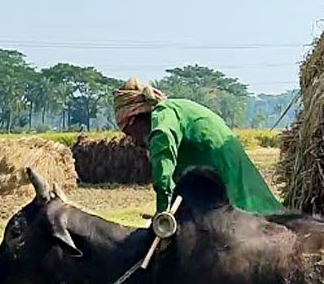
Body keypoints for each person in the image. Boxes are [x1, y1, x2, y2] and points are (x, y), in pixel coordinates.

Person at [113, 77, 286, 216]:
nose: (133, 141)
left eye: (130, 133)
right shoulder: (173, 109)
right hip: (226, 161)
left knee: (244, 215)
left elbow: (163, 177)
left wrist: (162, 217)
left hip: (221, 167)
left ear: (135, 118)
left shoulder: (162, 121)